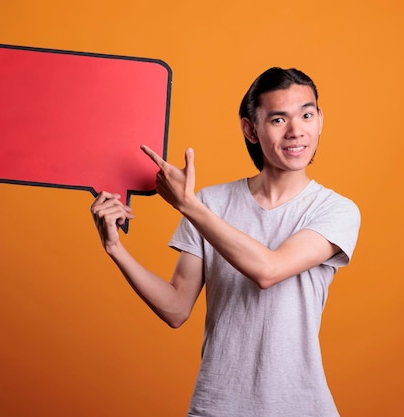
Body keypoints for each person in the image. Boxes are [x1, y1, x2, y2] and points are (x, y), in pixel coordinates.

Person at [90, 67, 361, 417]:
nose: (297, 131)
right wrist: (115, 248)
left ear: (320, 120)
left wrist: (189, 206)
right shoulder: (212, 204)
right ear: (250, 129)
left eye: (307, 115)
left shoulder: (336, 210)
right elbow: (175, 308)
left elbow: (269, 270)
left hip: (301, 407)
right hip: (217, 406)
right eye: (278, 120)